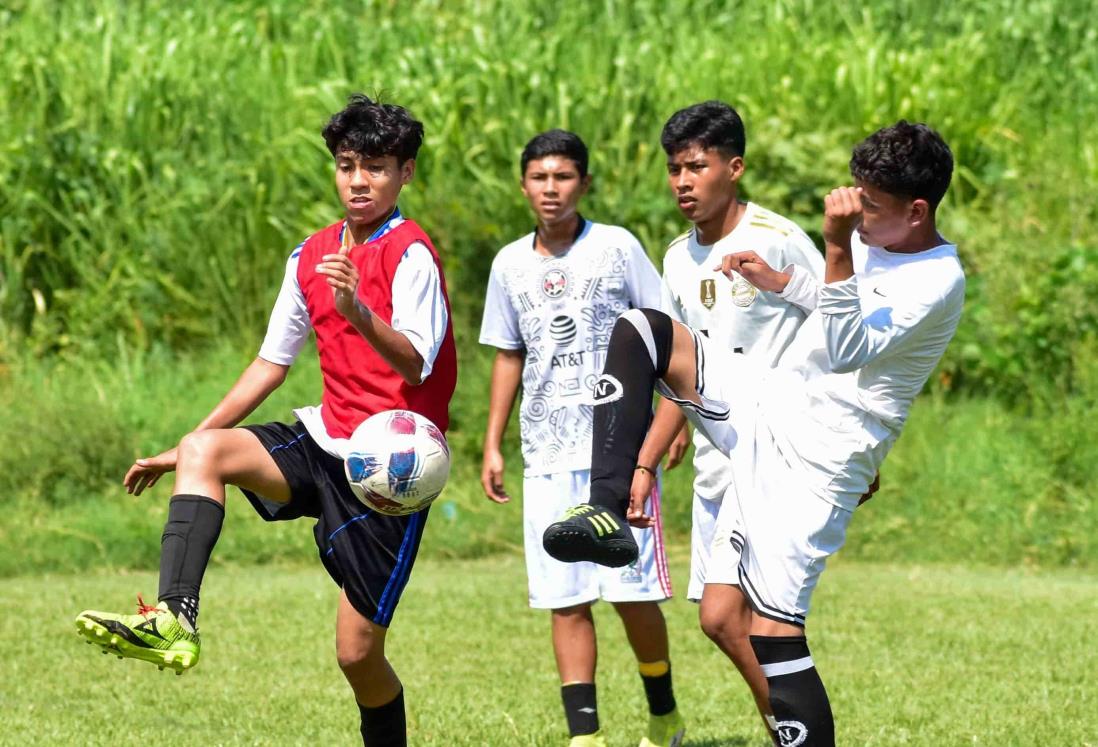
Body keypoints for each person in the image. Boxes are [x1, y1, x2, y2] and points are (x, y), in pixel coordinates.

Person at [545, 121, 963, 746]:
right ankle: (605, 513)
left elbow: (850, 347)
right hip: (770, 402)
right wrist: (786, 284)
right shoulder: (881, 237)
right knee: (644, 330)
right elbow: (835, 309)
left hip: (820, 455)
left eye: (871, 207)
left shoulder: (937, 280)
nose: (859, 215)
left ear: (918, 210)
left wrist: (837, 247)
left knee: (771, 634)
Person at [75, 94, 456, 747]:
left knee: (357, 657)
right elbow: (269, 364)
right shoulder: (309, 255)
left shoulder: (411, 253)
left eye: (376, 167)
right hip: (323, 438)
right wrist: (184, 445)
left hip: (388, 476)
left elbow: (418, 362)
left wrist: (359, 310)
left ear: (406, 173)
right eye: (346, 164)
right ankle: (174, 618)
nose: (359, 180)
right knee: (207, 450)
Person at [479, 129, 685, 747]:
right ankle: (584, 737)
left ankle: (664, 716)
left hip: (620, 451)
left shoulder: (617, 248)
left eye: (563, 177)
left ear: (584, 184)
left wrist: (674, 419)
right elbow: (509, 354)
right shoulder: (509, 264)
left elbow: (666, 334)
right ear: (523, 187)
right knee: (564, 598)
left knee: (630, 592)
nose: (551, 189)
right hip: (545, 450)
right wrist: (492, 441)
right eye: (539, 178)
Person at [642, 100, 824, 741]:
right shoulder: (675, 260)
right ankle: (790, 726)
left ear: (734, 167)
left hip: (776, 452)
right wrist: (648, 459)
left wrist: (859, 448)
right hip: (719, 462)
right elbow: (677, 369)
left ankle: (794, 726)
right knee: (728, 619)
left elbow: (839, 336)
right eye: (674, 169)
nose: (683, 182)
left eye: (697, 166)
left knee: (726, 616)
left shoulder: (778, 240)